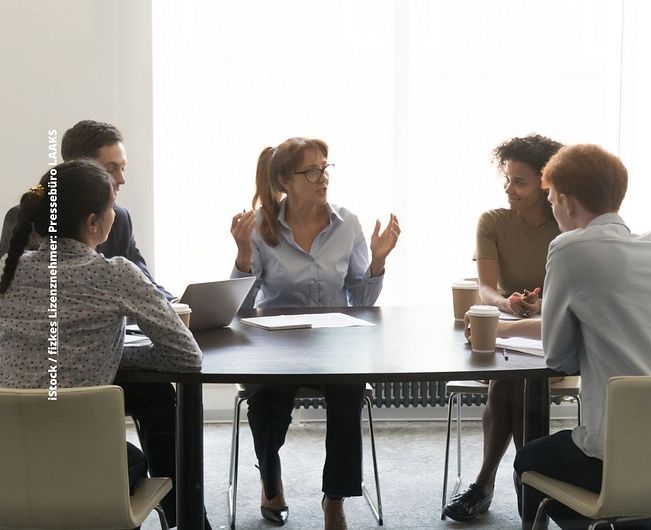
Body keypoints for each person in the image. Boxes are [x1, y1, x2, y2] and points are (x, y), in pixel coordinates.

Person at [491, 144, 651, 530]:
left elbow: (560, 359)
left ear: (568, 203)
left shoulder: (569, 247)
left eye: (553, 200)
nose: (554, 211)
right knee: (628, 472)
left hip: (619, 456)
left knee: (529, 462)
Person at [0, 160, 211, 529]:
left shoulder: (8, 268)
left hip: (9, 466)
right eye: (111, 207)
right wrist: (115, 353)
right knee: (131, 460)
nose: (116, 214)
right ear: (94, 223)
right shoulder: (115, 274)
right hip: (82, 469)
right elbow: (187, 356)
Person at [230, 137, 400, 529]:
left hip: (334, 344)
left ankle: (335, 498)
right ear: (285, 181)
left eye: (325, 168)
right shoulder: (260, 227)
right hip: (275, 344)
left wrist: (377, 262)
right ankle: (271, 482)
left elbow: (361, 298)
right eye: (311, 171)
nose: (322, 178)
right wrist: (242, 259)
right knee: (266, 403)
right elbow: (241, 308)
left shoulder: (348, 223)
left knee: (348, 391)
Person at [444, 134, 562, 522]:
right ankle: (528, 484)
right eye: (507, 180)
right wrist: (507, 304)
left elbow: (572, 296)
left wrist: (541, 304)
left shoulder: (566, 224)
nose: (510, 189)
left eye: (520, 182)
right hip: (507, 329)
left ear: (546, 185)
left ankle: (485, 484)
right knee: (508, 380)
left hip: (553, 332)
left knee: (510, 383)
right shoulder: (493, 221)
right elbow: (487, 288)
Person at [0, 120, 173, 299]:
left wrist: (176, 304)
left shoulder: (119, 217)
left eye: (123, 168)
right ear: (79, 169)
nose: (122, 179)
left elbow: (144, 281)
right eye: (111, 169)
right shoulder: (30, 216)